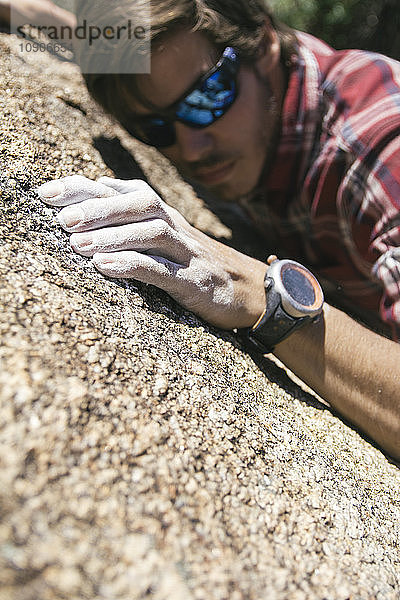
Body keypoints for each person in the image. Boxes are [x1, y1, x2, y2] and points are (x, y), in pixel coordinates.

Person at [25, 0, 399, 460]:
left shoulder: (379, 151)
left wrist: (265, 295)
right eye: (156, 127)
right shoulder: (220, 87)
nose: (191, 148)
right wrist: (22, 13)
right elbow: (143, 59)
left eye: (207, 98)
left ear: (261, 44)